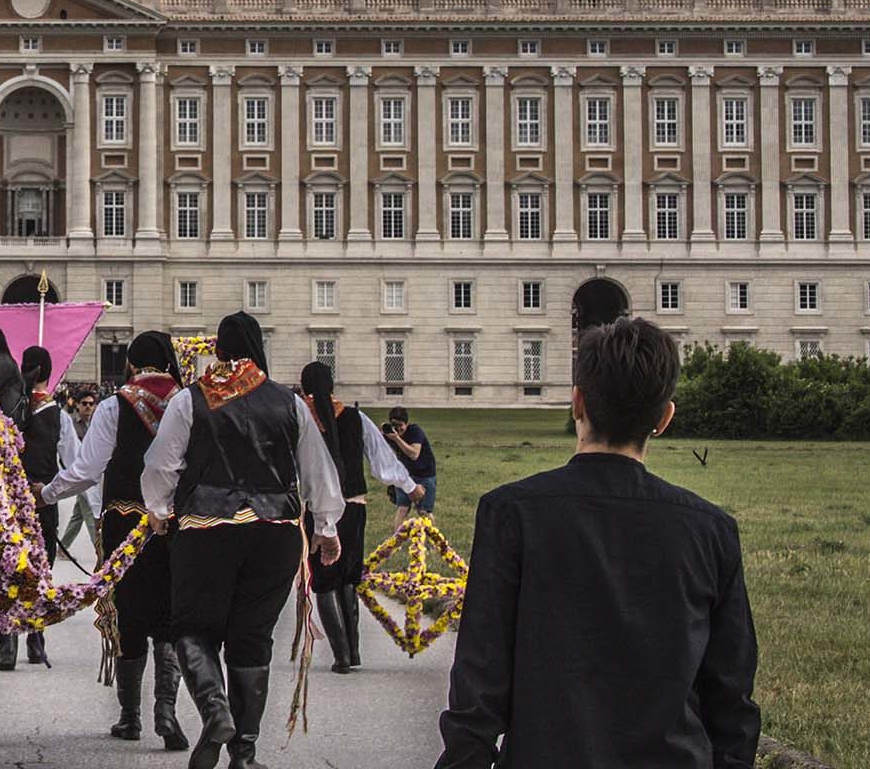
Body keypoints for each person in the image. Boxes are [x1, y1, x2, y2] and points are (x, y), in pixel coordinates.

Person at [435, 316, 760, 769]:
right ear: (664, 418)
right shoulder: (711, 531)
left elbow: (479, 682)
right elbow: (731, 697)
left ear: (577, 403)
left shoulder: (511, 514)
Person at [143, 313, 344, 769]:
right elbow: (316, 470)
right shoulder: (288, 403)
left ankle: (215, 710)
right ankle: (245, 752)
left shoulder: (189, 400)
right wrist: (327, 528)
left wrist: (158, 510)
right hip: (275, 532)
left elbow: (161, 464)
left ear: (218, 350)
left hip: (207, 528)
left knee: (192, 627)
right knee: (252, 637)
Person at [42, 330, 190, 750]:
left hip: (126, 521)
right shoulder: (187, 401)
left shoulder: (114, 405)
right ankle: (167, 711)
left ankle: (130, 717)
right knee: (169, 614)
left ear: (131, 363)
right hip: (175, 523)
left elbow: (87, 470)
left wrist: (47, 493)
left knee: (128, 614)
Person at [298, 363, 422, 673]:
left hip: (319, 511)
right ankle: (353, 651)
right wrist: (409, 486)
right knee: (348, 577)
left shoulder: (301, 419)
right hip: (355, 507)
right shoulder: (355, 417)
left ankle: (340, 656)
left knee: (324, 580)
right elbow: (382, 461)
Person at [0, 344, 62, 670]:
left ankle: (7, 641)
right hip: (42, 501)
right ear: (47, 372)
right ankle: (35, 638)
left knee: (10, 565)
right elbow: (73, 463)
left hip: (10, 501)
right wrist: (51, 491)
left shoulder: (7, 410)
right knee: (41, 568)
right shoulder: (57, 413)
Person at [58, 388, 104, 560]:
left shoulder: (97, 423)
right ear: (77, 405)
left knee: (78, 515)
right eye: (84, 404)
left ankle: (63, 548)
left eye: (91, 404)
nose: (88, 407)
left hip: (93, 474)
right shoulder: (71, 424)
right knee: (91, 513)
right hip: (80, 475)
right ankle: (100, 551)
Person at [382, 405, 437, 527]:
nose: (398, 429)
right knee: (402, 509)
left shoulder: (415, 431)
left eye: (401, 425)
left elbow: (414, 454)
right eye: (395, 425)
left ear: (407, 424)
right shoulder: (390, 434)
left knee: (424, 511)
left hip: (425, 474)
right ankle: (396, 542)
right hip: (405, 475)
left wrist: (396, 439)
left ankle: (432, 542)